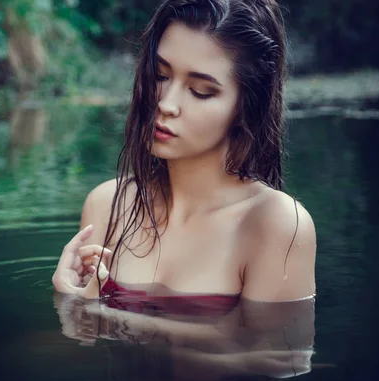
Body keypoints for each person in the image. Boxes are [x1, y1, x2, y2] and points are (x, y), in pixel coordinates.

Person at [52, 0, 316, 305]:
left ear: (245, 107)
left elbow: (265, 350)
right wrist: (69, 301)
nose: (166, 103)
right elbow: (87, 343)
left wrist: (101, 314)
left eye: (200, 91)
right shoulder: (108, 205)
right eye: (161, 75)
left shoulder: (275, 224)